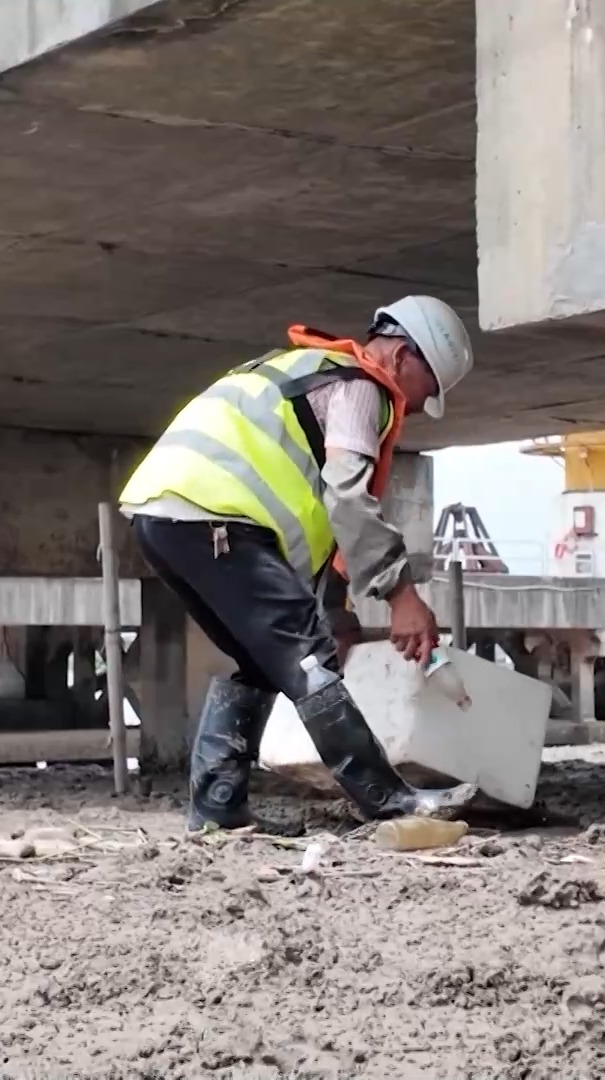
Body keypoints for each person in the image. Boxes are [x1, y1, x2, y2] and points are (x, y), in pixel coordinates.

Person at [118, 295, 479, 835]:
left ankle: (217, 811)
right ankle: (387, 800)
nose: (420, 405)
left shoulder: (306, 373)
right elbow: (349, 499)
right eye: (427, 390)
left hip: (166, 516)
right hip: (218, 516)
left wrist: (333, 610)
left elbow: (314, 517)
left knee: (264, 659)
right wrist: (401, 594)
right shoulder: (362, 385)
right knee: (307, 659)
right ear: (403, 357)